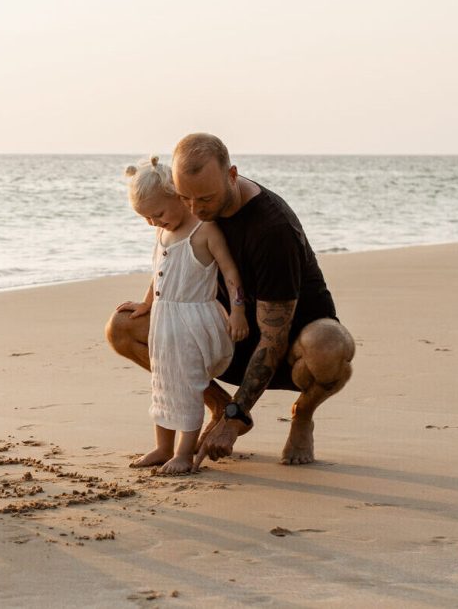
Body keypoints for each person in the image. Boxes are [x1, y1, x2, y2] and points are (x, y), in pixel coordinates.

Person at [106, 133, 355, 468]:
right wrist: (150, 301)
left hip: (290, 348)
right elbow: (172, 259)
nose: (196, 209)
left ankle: (302, 416)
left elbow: (274, 338)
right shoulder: (193, 207)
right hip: (224, 335)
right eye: (185, 197)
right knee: (122, 327)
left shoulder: (271, 229)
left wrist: (234, 422)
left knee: (330, 346)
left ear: (232, 176)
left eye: (205, 199)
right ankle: (217, 404)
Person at [118, 157, 249, 475]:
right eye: (146, 218)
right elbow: (159, 274)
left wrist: (238, 311)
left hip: (196, 322)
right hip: (165, 321)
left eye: (158, 214)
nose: (154, 223)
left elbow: (231, 273)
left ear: (178, 195)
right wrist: (147, 303)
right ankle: (163, 447)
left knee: (188, 386)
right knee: (162, 383)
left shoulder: (205, 231)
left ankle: (183, 453)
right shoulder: (163, 232)